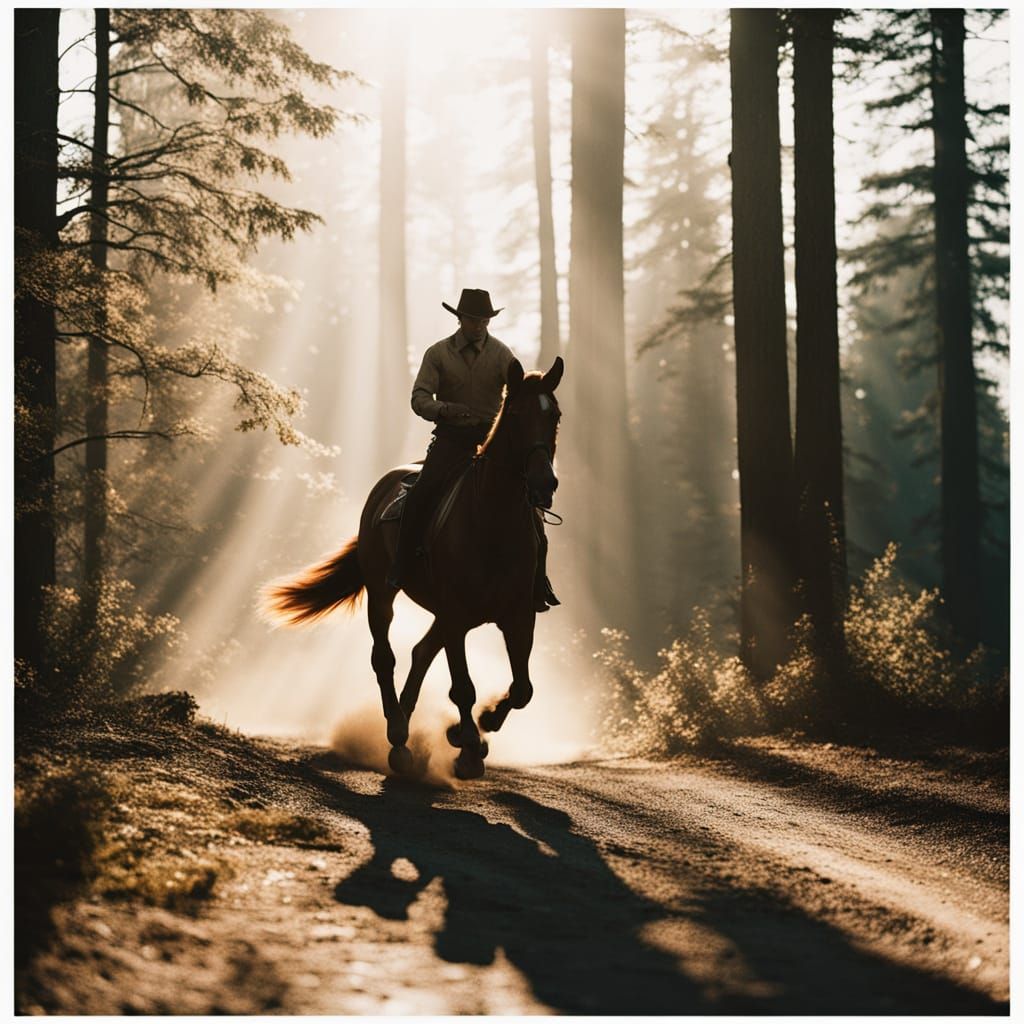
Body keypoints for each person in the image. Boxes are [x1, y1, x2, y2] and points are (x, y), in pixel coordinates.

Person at [387, 288, 559, 611]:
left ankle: (539, 582)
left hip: (489, 444)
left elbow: (517, 391)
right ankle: (402, 565)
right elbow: (419, 398)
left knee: (532, 512)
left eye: (484, 320)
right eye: (473, 319)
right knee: (421, 494)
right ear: (460, 318)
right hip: (450, 441)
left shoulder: (501, 355)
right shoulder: (438, 354)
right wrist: (445, 409)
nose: (479, 325)